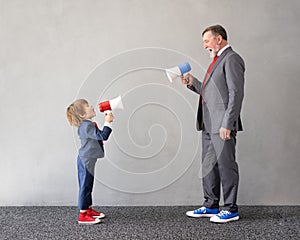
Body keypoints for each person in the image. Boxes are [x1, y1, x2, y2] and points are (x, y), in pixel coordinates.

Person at [183, 24, 245, 223]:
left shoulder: (232, 59)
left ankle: (230, 209)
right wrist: (193, 83)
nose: (204, 46)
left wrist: (228, 123)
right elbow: (211, 93)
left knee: (226, 166)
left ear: (219, 39)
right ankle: (211, 205)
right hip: (208, 124)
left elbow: (236, 94)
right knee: (209, 165)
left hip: (222, 124)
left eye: (206, 41)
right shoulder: (217, 60)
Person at [66, 99, 113, 225]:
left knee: (88, 185)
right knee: (85, 186)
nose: (91, 106)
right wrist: (108, 122)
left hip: (89, 159)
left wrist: (107, 121)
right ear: (82, 115)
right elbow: (103, 136)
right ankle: (83, 215)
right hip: (86, 160)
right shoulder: (86, 126)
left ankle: (88, 210)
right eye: (87, 106)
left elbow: (99, 137)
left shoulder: (87, 125)